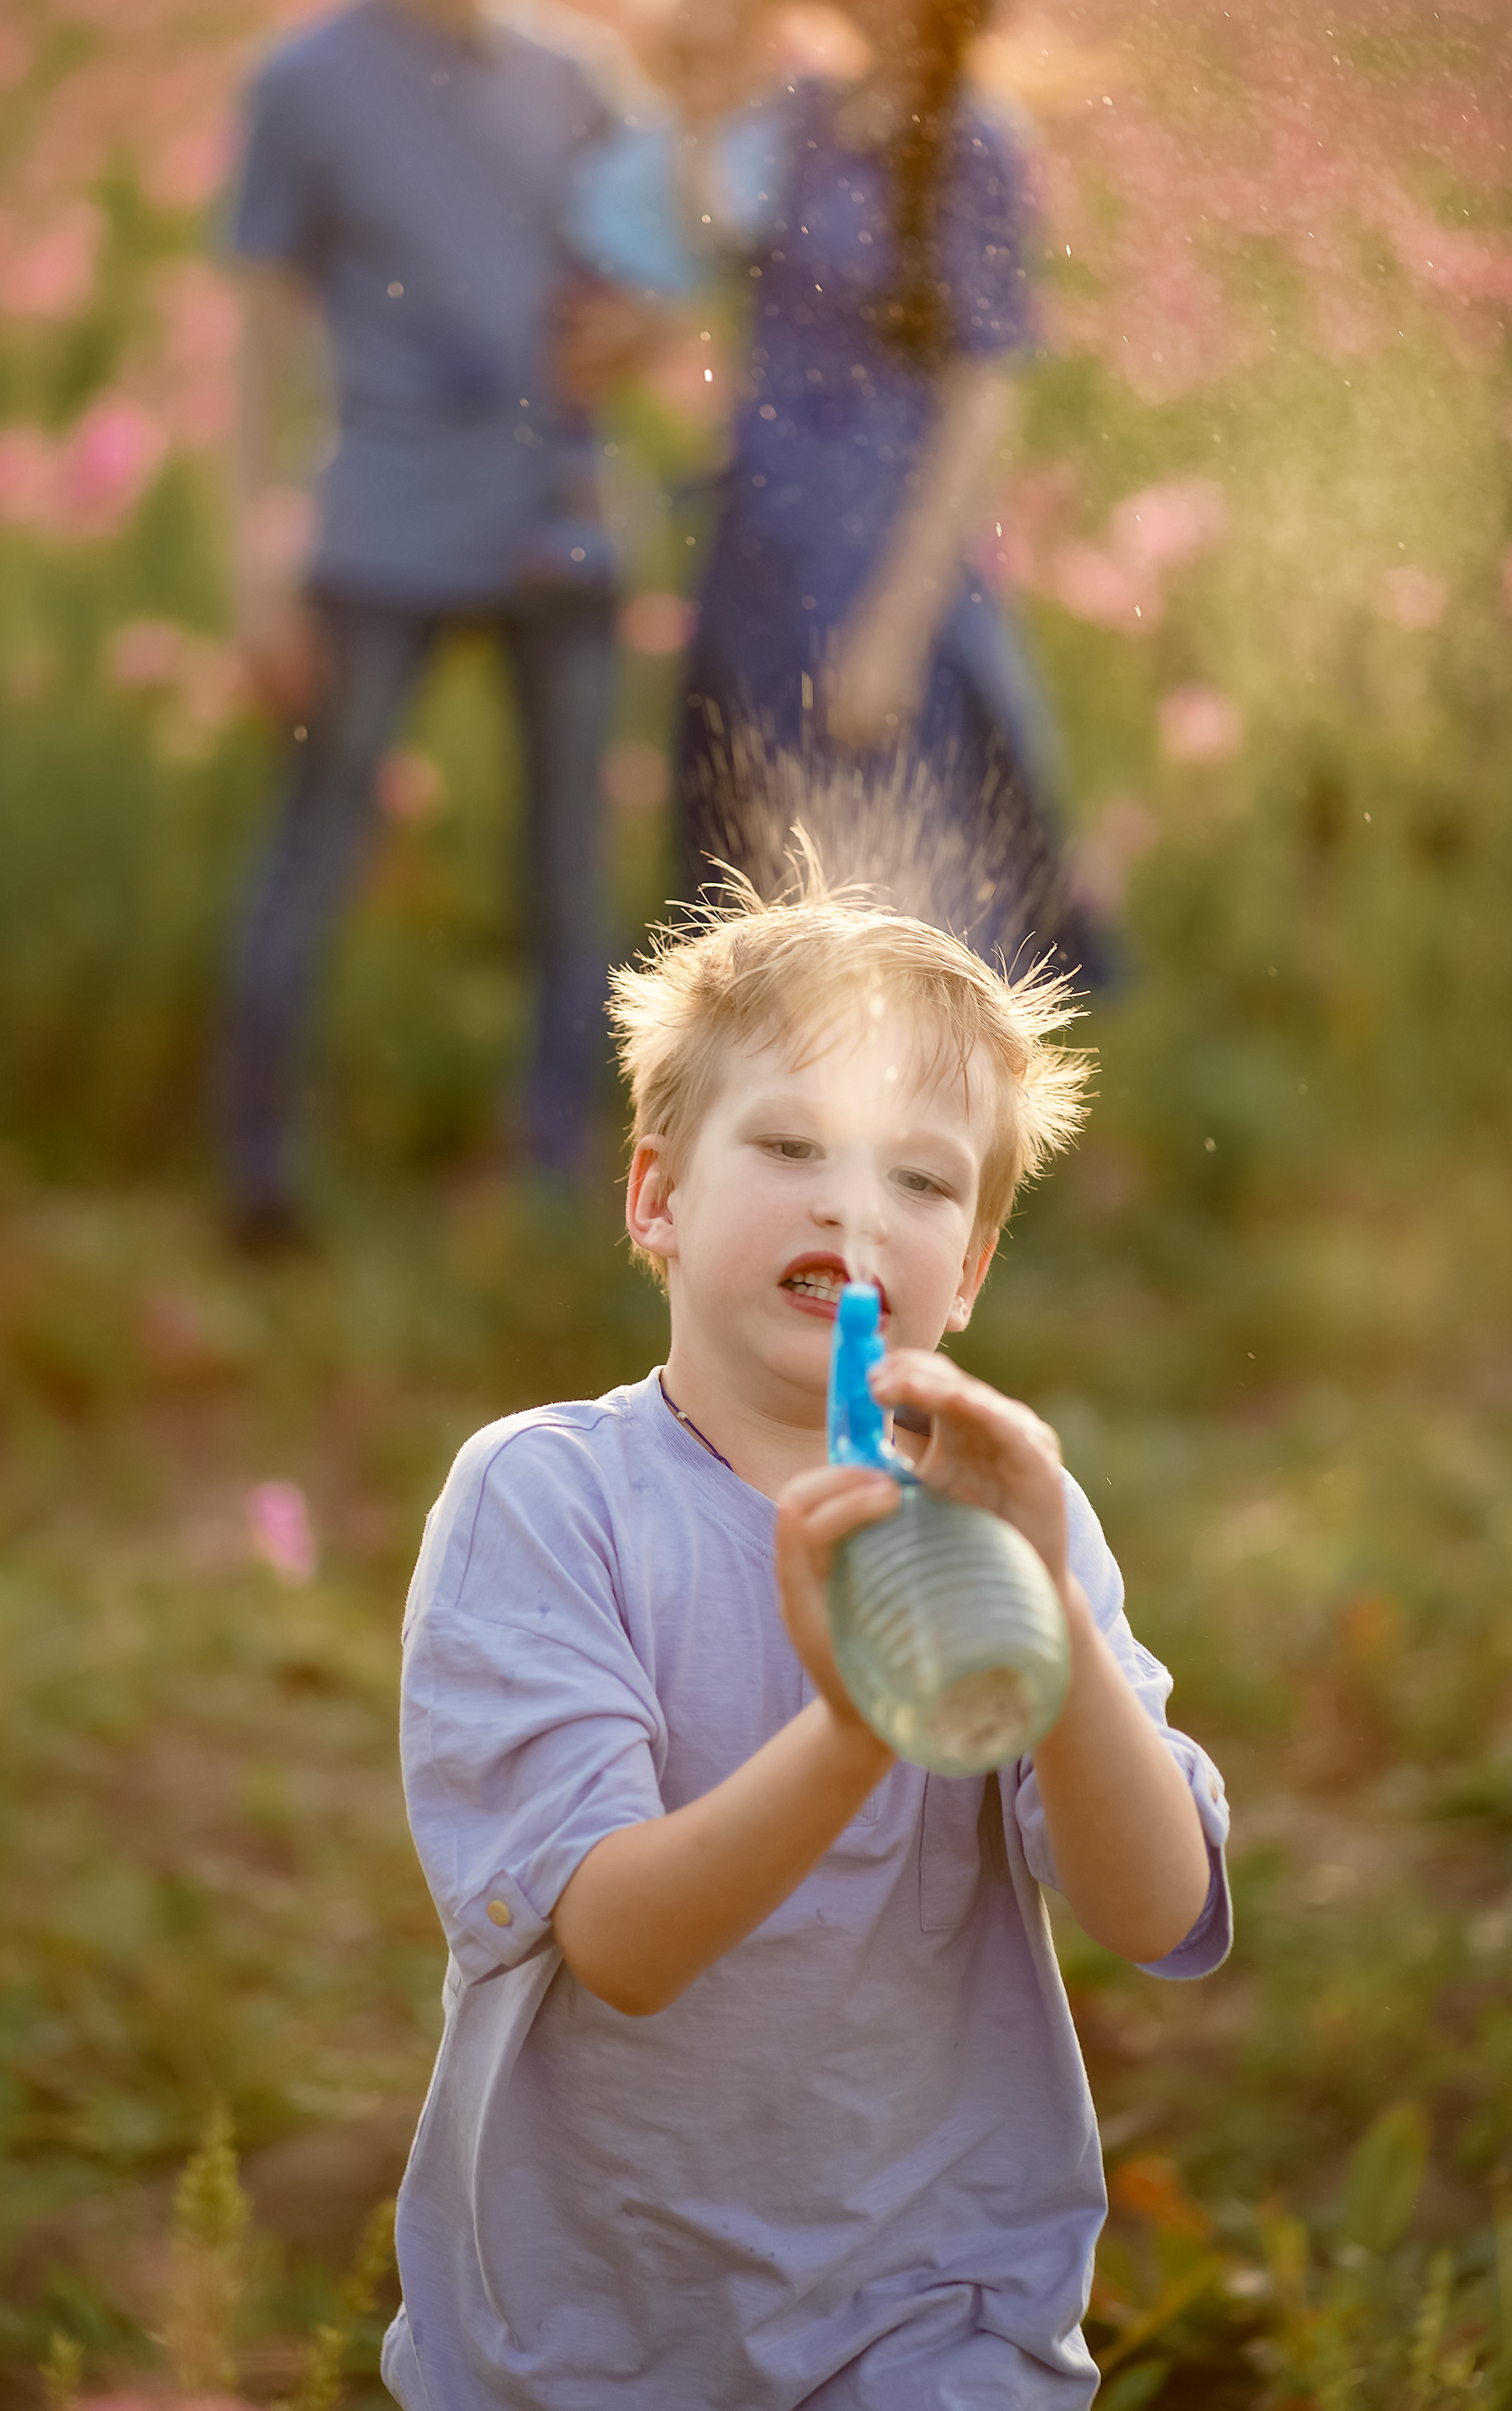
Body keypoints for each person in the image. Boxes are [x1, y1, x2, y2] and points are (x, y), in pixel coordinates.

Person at [386, 850, 1231, 2407]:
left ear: (968, 1272)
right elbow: (621, 1949)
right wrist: (858, 1725)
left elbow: (1152, 1907)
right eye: (790, 1146)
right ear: (657, 1196)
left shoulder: (1005, 1512)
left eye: (921, 1180)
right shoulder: (547, 1503)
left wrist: (1037, 1607)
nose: (852, 1205)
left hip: (939, 2309)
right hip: (592, 2331)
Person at [222, 0, 625, 1245]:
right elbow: (259, 343)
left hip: (560, 530)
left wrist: (633, 335)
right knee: (314, 850)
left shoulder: (584, 81)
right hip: (379, 531)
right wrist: (255, 557)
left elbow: (649, 279)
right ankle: (259, 1182)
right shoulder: (305, 80)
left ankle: (557, 1180)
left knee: (568, 877)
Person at [680, 0, 1101, 980]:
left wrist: (895, 631)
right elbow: (718, 241)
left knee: (892, 924)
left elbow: (982, 400)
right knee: (757, 905)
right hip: (759, 549)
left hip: (879, 561)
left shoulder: (977, 141)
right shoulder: (804, 113)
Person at [564, 0, 787, 307]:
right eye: (685, 53)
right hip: (633, 309)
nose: (703, 73)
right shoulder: (639, 129)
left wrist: (700, 141)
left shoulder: (775, 136)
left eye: (722, 50)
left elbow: (732, 239)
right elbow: (591, 227)